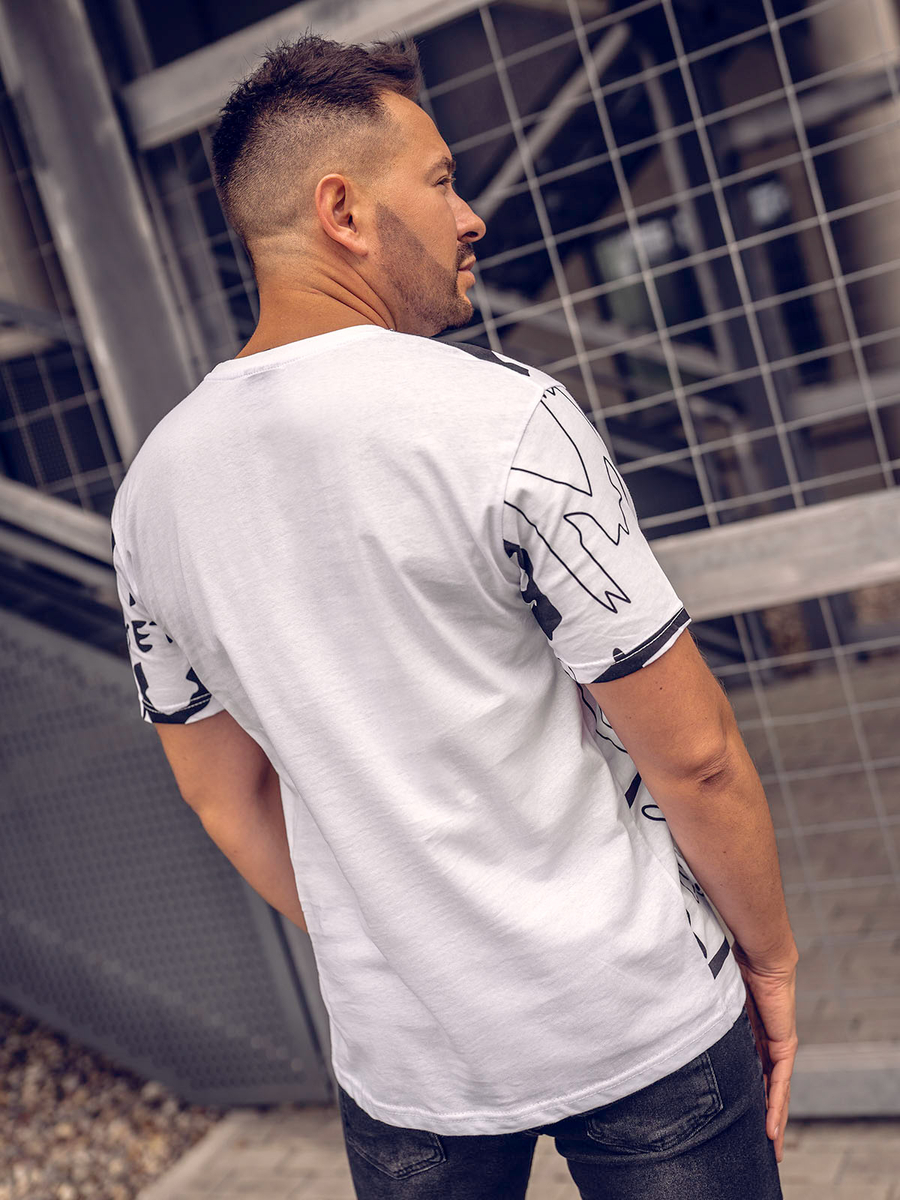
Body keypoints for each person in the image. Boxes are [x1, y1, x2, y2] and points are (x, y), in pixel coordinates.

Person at [110, 32, 798, 1200]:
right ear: (342, 210)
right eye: (439, 180)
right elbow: (698, 757)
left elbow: (224, 798)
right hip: (632, 1012)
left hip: (404, 1058)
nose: (471, 217)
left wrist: (412, 939)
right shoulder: (505, 420)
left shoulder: (150, 497)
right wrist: (770, 960)